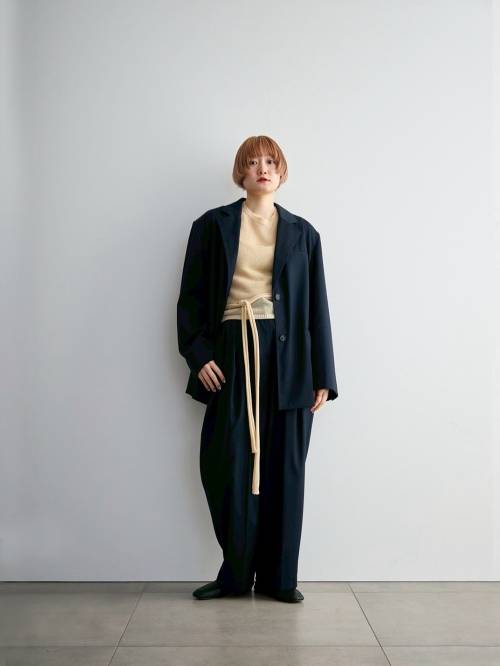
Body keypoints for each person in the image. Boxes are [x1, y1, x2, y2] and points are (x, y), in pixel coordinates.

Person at [177, 135, 338, 603]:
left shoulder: (304, 234)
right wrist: (199, 354)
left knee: (285, 467)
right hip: (231, 350)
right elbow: (190, 299)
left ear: (281, 172)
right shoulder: (212, 226)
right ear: (240, 173)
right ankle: (235, 575)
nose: (262, 169)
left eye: (270, 161)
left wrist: (323, 376)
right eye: (252, 162)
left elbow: (317, 308)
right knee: (226, 462)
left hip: (290, 359)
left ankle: (279, 579)